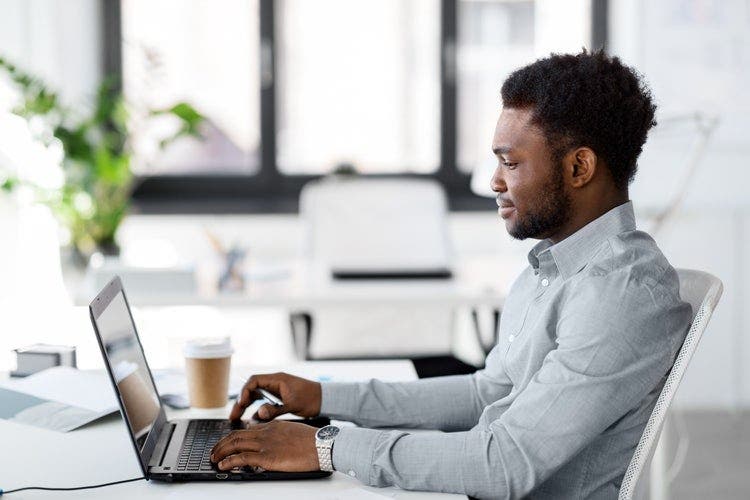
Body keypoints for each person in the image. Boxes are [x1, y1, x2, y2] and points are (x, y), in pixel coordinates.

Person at [210, 50, 693, 499]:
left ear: (579, 166)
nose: (495, 181)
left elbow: (504, 463)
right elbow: (487, 392)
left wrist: (325, 445)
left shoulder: (620, 294)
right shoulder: (555, 267)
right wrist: (324, 397)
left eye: (510, 161)